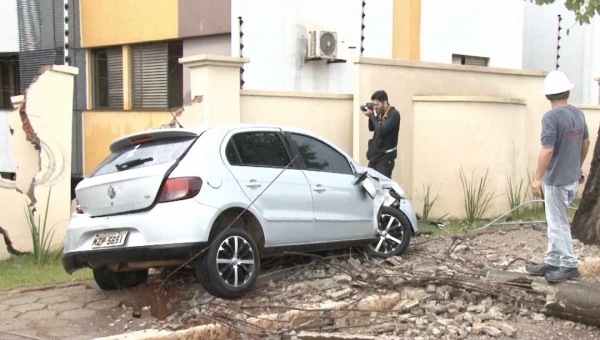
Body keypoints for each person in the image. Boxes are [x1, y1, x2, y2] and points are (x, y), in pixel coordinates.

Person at [527, 70, 590, 283]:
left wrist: (537, 178)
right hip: (572, 179)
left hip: (556, 181)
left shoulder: (551, 117)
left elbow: (547, 150)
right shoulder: (578, 114)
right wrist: (578, 167)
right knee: (557, 220)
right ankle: (552, 260)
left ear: (547, 96)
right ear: (567, 93)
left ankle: (569, 264)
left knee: (557, 223)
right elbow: (585, 143)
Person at [361, 90, 400, 178]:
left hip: (385, 158)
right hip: (375, 155)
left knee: (382, 186)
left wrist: (372, 116)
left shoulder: (394, 114)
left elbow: (381, 130)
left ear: (385, 102)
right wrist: (370, 116)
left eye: (377, 105)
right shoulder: (380, 113)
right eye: (373, 105)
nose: (375, 107)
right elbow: (372, 128)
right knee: (369, 182)